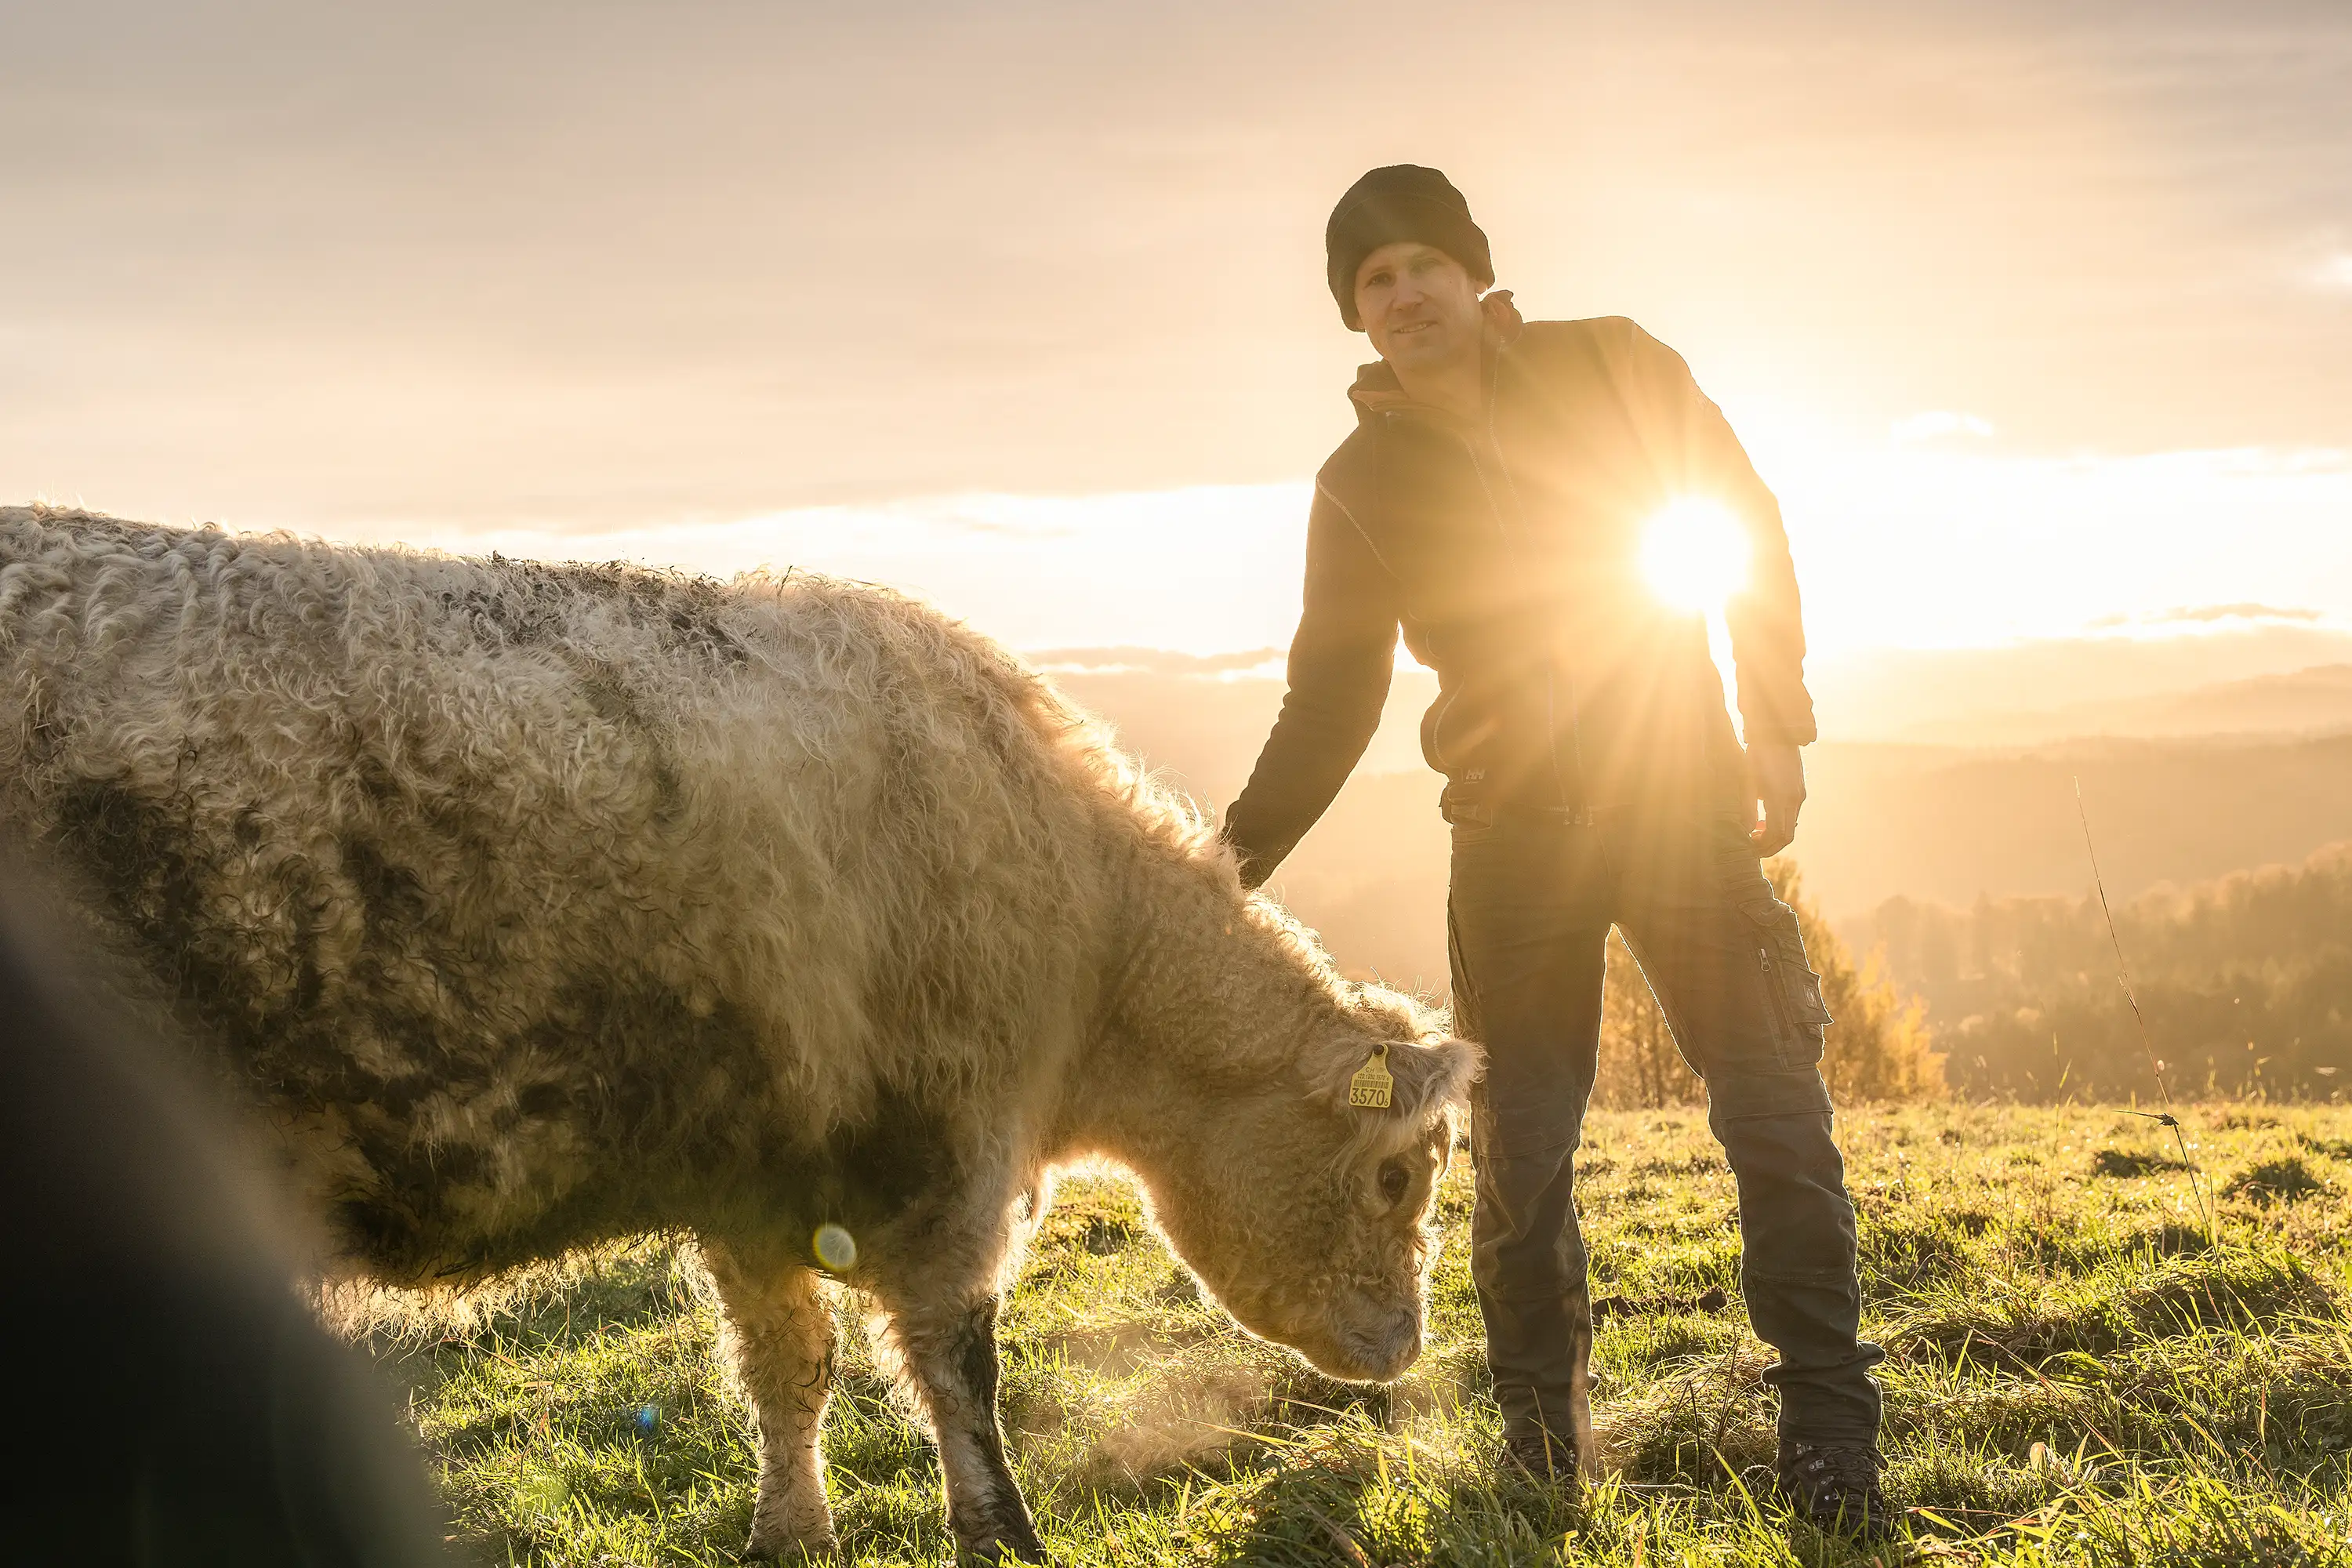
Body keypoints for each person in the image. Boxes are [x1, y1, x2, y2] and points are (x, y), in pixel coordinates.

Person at [1221, 165, 1888, 1534]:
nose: (1402, 295)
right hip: (1513, 849)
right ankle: (1541, 1442)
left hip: (1681, 802)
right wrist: (1222, 867)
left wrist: (1778, 719)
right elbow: (1332, 699)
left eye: (1419, 265)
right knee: (1523, 1159)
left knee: (1774, 1119)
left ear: (1472, 270)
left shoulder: (1616, 366)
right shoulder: (1358, 483)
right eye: (1372, 283)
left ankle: (1830, 1435)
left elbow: (1739, 526)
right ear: (1358, 316)